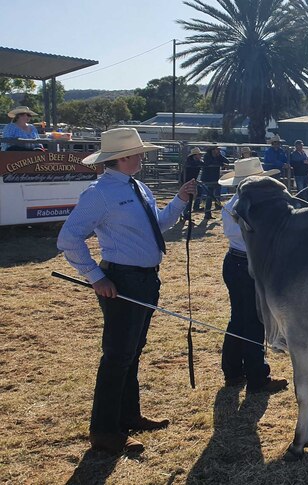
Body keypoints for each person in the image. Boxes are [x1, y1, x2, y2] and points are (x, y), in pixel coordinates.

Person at [57, 127, 198, 454]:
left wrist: (179, 200)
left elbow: (158, 224)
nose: (141, 157)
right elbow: (69, 238)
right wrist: (95, 276)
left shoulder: (138, 187)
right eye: (136, 153)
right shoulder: (100, 193)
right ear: (120, 158)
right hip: (121, 280)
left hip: (147, 279)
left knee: (131, 351)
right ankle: (104, 430)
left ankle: (128, 414)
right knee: (118, 355)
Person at [218, 158, 289, 393]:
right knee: (254, 320)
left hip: (235, 262)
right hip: (248, 265)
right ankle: (257, 376)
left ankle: (234, 371)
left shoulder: (231, 204)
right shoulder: (250, 206)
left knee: (239, 318)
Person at [201, 145, 229, 219]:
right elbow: (210, 163)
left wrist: (220, 158)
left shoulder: (217, 156)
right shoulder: (207, 156)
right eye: (217, 150)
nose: (219, 151)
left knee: (215, 193)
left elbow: (226, 161)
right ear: (213, 150)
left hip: (215, 178)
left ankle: (216, 205)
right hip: (208, 178)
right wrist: (221, 164)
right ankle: (207, 212)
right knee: (210, 195)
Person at [183, 147, 205, 213]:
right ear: (195, 155)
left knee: (199, 190)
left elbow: (202, 164)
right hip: (187, 181)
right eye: (199, 154)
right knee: (189, 197)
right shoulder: (190, 161)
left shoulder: (195, 161)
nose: (201, 156)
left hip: (192, 180)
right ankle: (186, 213)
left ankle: (196, 207)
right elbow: (197, 164)